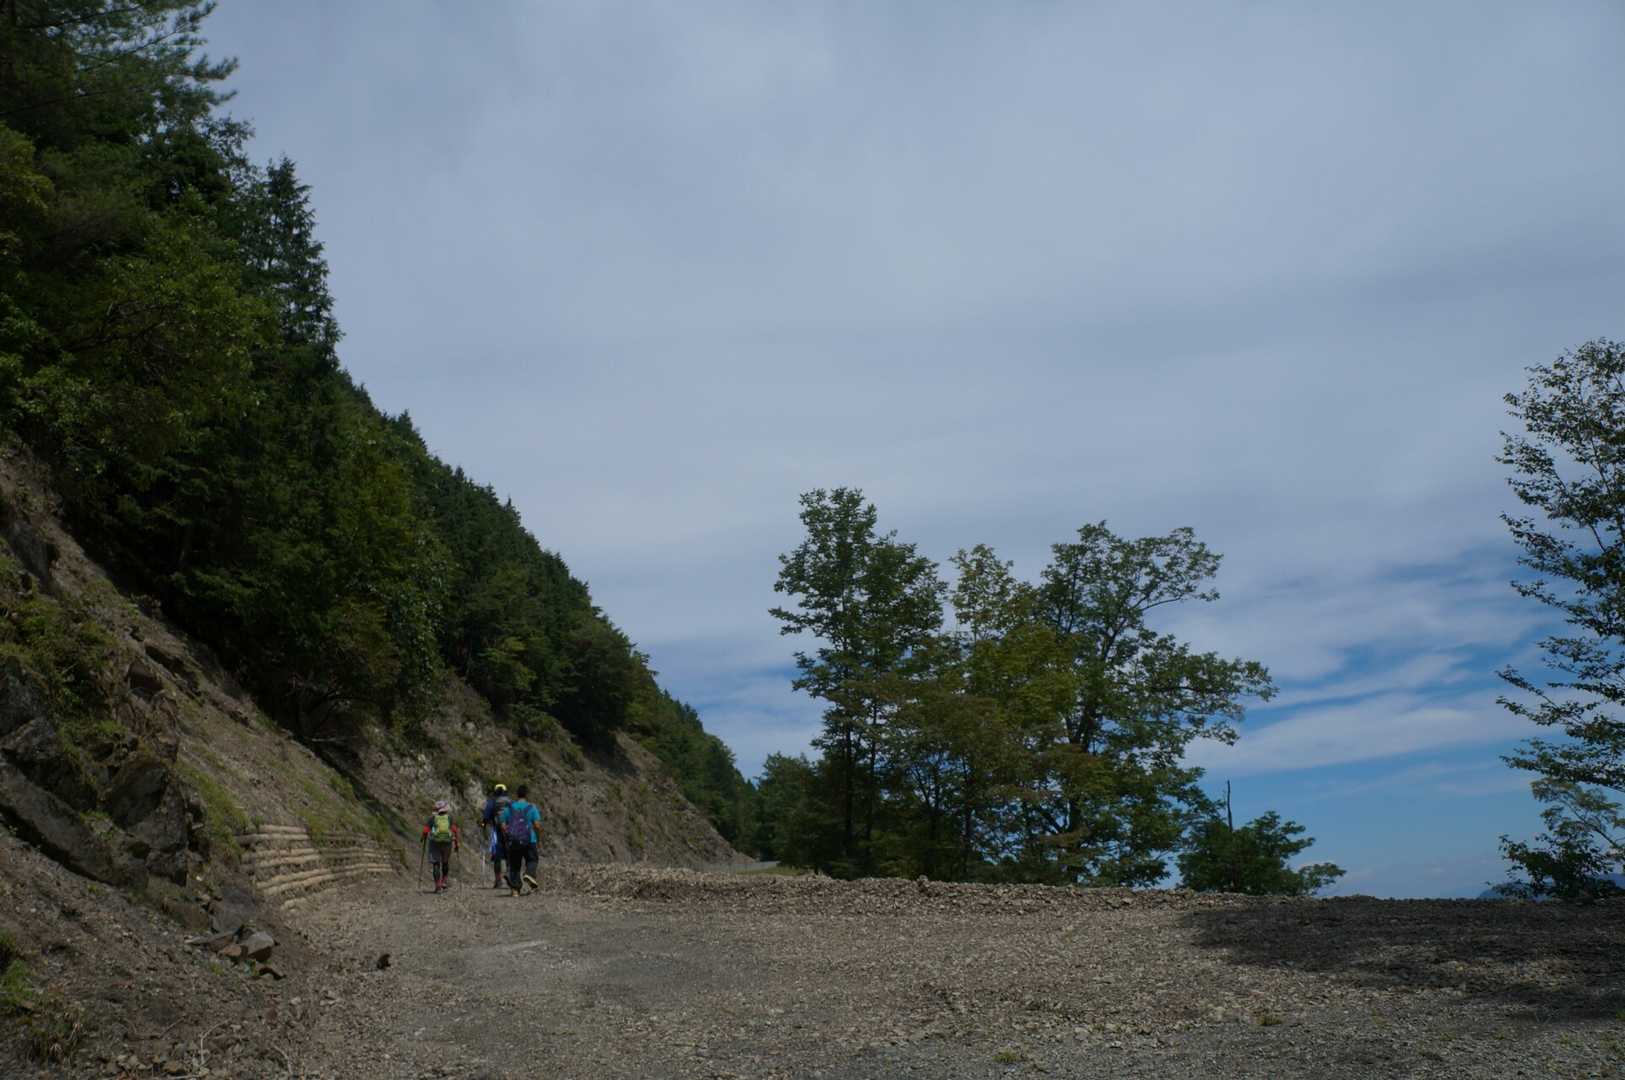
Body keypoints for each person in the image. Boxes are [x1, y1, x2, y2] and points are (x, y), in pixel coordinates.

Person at [498, 784, 542, 897]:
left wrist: (508, 835)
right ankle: (529, 874)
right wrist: (538, 838)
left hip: (514, 840)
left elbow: (502, 824)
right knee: (532, 860)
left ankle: (515, 890)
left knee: (515, 865)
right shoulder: (532, 807)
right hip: (530, 840)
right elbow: (537, 825)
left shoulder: (509, 808)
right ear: (527, 795)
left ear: (517, 794)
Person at [420, 799, 461, 894]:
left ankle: (437, 886)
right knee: (445, 862)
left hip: (434, 843)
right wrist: (457, 843)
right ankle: (444, 882)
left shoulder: (432, 818)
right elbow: (455, 830)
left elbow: (425, 830)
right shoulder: (449, 818)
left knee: (436, 864)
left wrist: (423, 838)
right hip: (447, 842)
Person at [480, 782, 511, 888]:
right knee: (509, 853)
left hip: (497, 830)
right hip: (509, 830)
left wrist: (483, 824)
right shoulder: (510, 801)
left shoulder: (492, 802)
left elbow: (486, 816)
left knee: (497, 855)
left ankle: (498, 881)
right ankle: (510, 874)